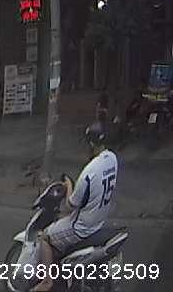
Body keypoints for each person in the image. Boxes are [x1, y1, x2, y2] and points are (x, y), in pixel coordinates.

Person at [31, 122, 118, 289]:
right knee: (63, 220)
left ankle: (47, 281)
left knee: (45, 237)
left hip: (83, 227)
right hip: (99, 219)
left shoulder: (89, 172)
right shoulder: (113, 159)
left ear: (91, 143)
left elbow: (70, 205)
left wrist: (69, 184)